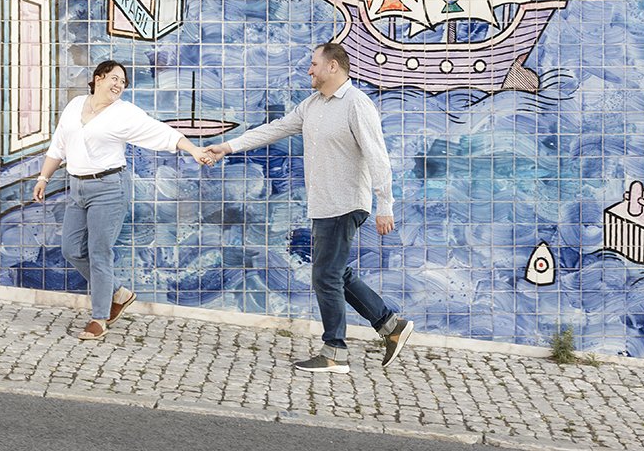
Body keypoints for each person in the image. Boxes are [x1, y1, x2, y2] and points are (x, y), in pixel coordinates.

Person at [202, 43, 412, 373]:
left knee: (325, 276)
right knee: (336, 273)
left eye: (315, 64)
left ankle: (335, 352)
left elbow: (377, 155)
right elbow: (275, 129)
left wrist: (385, 204)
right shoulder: (312, 105)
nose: (310, 70)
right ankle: (389, 325)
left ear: (334, 67)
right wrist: (228, 147)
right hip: (323, 205)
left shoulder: (357, 104)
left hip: (346, 204)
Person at [33, 60, 213, 340]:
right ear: (98, 78)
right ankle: (119, 292)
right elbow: (59, 145)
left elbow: (160, 132)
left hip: (109, 188)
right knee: (71, 250)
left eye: (123, 82)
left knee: (99, 251)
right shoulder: (75, 105)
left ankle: (99, 318)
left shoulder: (124, 113)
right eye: (114, 78)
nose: (119, 85)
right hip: (77, 187)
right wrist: (43, 178)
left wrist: (193, 149)